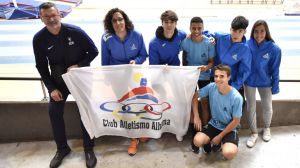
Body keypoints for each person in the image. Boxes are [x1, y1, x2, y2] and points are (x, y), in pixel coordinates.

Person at [32, 2, 98, 168]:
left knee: (85, 110)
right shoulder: (39, 39)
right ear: (41, 18)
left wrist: (79, 65)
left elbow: (94, 51)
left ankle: (88, 148)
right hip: (59, 82)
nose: (51, 19)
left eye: (54, 15)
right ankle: (62, 149)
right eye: (46, 16)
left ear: (60, 15)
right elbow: (41, 66)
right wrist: (51, 88)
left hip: (79, 79)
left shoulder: (76, 32)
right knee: (54, 112)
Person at [101, 8, 148, 156]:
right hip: (117, 78)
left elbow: (143, 54)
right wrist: (108, 78)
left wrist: (136, 61)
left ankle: (143, 130)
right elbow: (105, 60)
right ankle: (133, 138)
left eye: (120, 19)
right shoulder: (106, 38)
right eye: (114, 20)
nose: (118, 22)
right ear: (110, 23)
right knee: (125, 106)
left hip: (135, 75)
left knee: (140, 103)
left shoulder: (137, 35)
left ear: (125, 20)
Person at [193, 64, 243, 160]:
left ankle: (221, 143)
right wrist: (196, 116)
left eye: (222, 76)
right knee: (197, 141)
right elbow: (195, 96)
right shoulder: (212, 87)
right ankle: (209, 141)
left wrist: (220, 136)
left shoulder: (236, 97)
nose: (218, 79)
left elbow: (236, 121)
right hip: (214, 124)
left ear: (229, 77)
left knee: (228, 153)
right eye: (216, 76)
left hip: (230, 128)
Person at [180, 16, 215, 154]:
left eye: (199, 28)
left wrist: (207, 67)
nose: (196, 31)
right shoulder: (185, 42)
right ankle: (194, 131)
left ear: (203, 28)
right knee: (191, 103)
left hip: (204, 76)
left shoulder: (208, 43)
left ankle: (205, 129)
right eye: (193, 28)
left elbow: (212, 62)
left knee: (205, 102)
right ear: (190, 28)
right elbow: (176, 51)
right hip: (190, 76)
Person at [244, 20, 281, 148]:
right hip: (249, 82)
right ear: (252, 32)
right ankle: (253, 133)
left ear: (266, 32)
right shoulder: (246, 45)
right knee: (251, 107)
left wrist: (275, 86)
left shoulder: (274, 49)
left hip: (265, 82)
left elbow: (275, 69)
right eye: (256, 31)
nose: (259, 34)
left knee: (267, 107)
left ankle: (266, 128)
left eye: (262, 31)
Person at [204, 16, 251, 99]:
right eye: (234, 30)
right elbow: (205, 33)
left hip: (231, 82)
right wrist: (210, 38)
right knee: (214, 107)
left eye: (240, 31)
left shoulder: (245, 49)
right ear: (230, 29)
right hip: (215, 78)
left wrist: (234, 87)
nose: (236, 34)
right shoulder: (220, 37)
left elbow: (245, 71)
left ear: (245, 31)